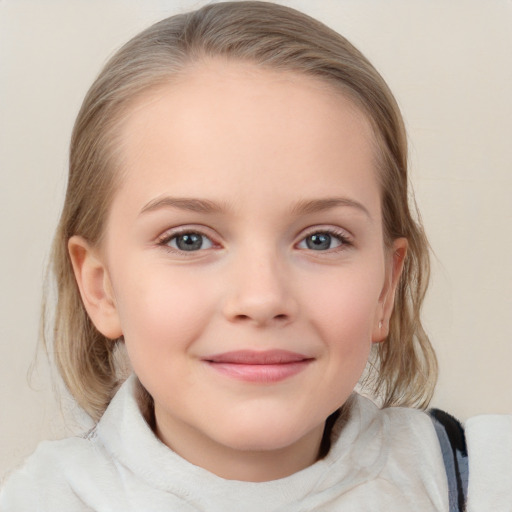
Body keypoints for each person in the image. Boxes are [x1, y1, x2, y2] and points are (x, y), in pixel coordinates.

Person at [1, 2, 510, 510]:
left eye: (321, 239)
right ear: (101, 287)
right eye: (189, 240)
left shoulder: (485, 477)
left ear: (385, 288)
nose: (262, 298)